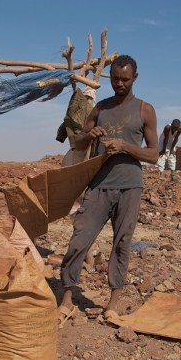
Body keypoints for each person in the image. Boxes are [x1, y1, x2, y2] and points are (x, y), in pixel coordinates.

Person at [57, 55, 158, 322]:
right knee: (79, 240)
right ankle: (66, 300)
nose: (120, 84)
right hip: (99, 185)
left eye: (125, 79)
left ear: (135, 78)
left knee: (122, 244)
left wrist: (125, 146)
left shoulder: (144, 110)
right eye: (115, 79)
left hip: (130, 186)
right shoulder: (100, 108)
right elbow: (77, 143)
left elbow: (154, 154)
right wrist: (89, 135)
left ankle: (112, 304)